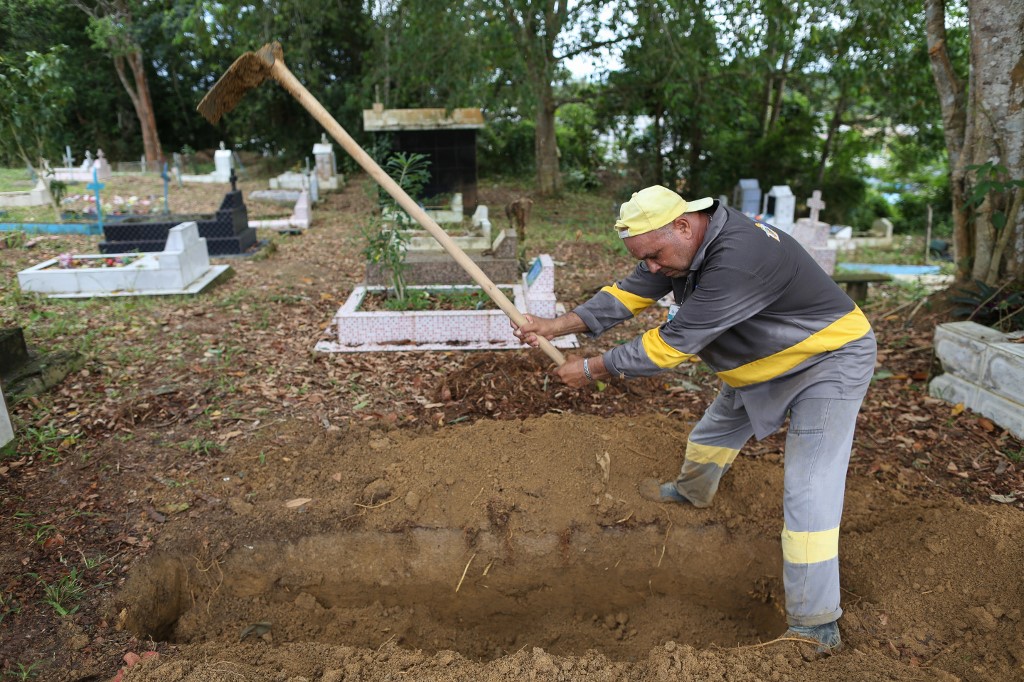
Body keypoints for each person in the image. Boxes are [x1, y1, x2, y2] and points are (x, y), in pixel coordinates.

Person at [513, 185, 876, 654]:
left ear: (684, 225)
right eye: (644, 258)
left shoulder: (739, 258)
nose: (652, 267)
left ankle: (816, 623)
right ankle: (692, 493)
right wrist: (553, 327)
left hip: (826, 360)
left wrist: (589, 368)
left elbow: (671, 344)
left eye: (656, 256)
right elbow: (627, 295)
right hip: (759, 362)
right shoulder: (680, 248)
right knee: (713, 433)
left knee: (809, 488)